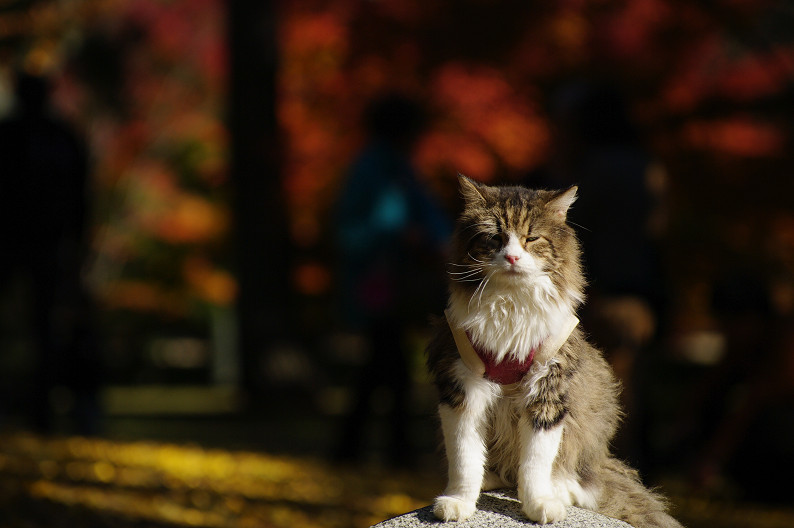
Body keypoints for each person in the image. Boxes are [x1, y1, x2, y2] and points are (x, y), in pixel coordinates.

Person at [334, 93, 451, 466]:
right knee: (387, 366)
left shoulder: (385, 166)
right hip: (383, 284)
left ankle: (362, 449)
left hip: (383, 285)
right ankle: (389, 450)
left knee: (383, 365)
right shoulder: (383, 170)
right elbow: (394, 224)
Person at [0, 71, 98, 434]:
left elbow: (80, 198)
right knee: (45, 329)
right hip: (35, 243)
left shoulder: (47, 138)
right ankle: (41, 409)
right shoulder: (58, 138)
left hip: (36, 243)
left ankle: (41, 409)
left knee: (47, 329)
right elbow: (81, 199)